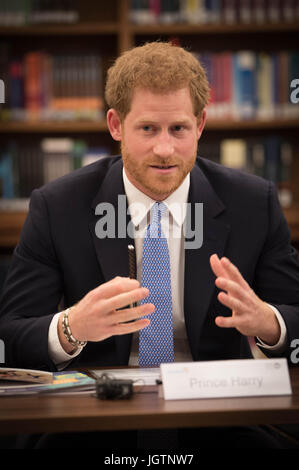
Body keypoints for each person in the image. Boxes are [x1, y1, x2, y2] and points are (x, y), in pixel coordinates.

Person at [0, 41, 299, 449]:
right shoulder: (57, 206)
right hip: (96, 414)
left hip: (218, 414)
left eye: (178, 129)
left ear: (201, 125)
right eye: (147, 129)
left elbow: (294, 318)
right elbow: (10, 338)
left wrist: (269, 322)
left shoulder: (253, 203)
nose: (164, 150)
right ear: (115, 125)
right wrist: (71, 328)